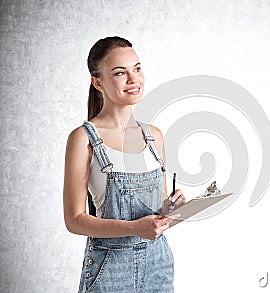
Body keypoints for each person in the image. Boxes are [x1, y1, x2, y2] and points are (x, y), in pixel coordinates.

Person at [63, 36, 185, 293]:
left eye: (137, 68)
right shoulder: (83, 139)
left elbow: (157, 209)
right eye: (120, 73)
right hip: (110, 269)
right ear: (98, 82)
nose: (133, 79)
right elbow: (74, 220)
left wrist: (172, 208)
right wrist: (133, 228)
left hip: (158, 265)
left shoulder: (154, 136)